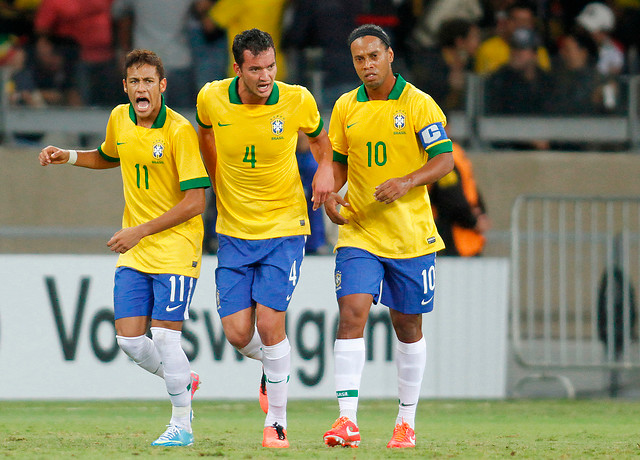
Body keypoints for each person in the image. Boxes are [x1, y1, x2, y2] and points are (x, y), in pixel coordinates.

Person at [38, 49, 211, 447]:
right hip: (139, 248)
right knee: (130, 341)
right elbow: (108, 155)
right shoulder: (119, 118)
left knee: (166, 340)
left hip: (176, 248)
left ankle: (182, 425)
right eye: (134, 81)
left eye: (149, 81)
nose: (141, 88)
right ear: (126, 87)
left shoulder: (179, 131)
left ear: (162, 86)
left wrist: (140, 231)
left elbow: (196, 202)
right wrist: (68, 157)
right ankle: (183, 378)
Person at [195, 28, 333, 448]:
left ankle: (277, 422)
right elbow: (205, 133)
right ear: (237, 68)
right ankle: (272, 368)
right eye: (256, 69)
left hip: (284, 229)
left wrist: (325, 169)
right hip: (234, 231)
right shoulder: (211, 98)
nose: (265, 76)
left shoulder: (297, 100)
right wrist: (217, 179)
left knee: (271, 324)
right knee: (238, 334)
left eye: (271, 66)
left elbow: (320, 142)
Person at [321, 24, 454, 449]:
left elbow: (445, 159)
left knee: (407, 326)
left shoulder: (419, 104)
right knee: (352, 312)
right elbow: (339, 162)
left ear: (390, 55)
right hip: (360, 230)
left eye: (374, 56)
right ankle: (346, 421)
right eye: (359, 59)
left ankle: (406, 422)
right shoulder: (345, 106)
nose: (367, 65)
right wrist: (330, 192)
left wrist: (407, 181)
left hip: (410, 237)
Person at [428, 141, 490, 256]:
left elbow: (462, 190)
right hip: (455, 235)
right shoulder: (449, 153)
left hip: (461, 238)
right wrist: (475, 219)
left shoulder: (444, 154)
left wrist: (477, 218)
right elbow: (452, 197)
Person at [474, 1, 551, 75]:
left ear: (532, 25)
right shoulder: (487, 49)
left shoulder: (539, 51)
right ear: (507, 22)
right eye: (516, 21)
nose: (521, 25)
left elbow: (544, 82)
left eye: (525, 21)